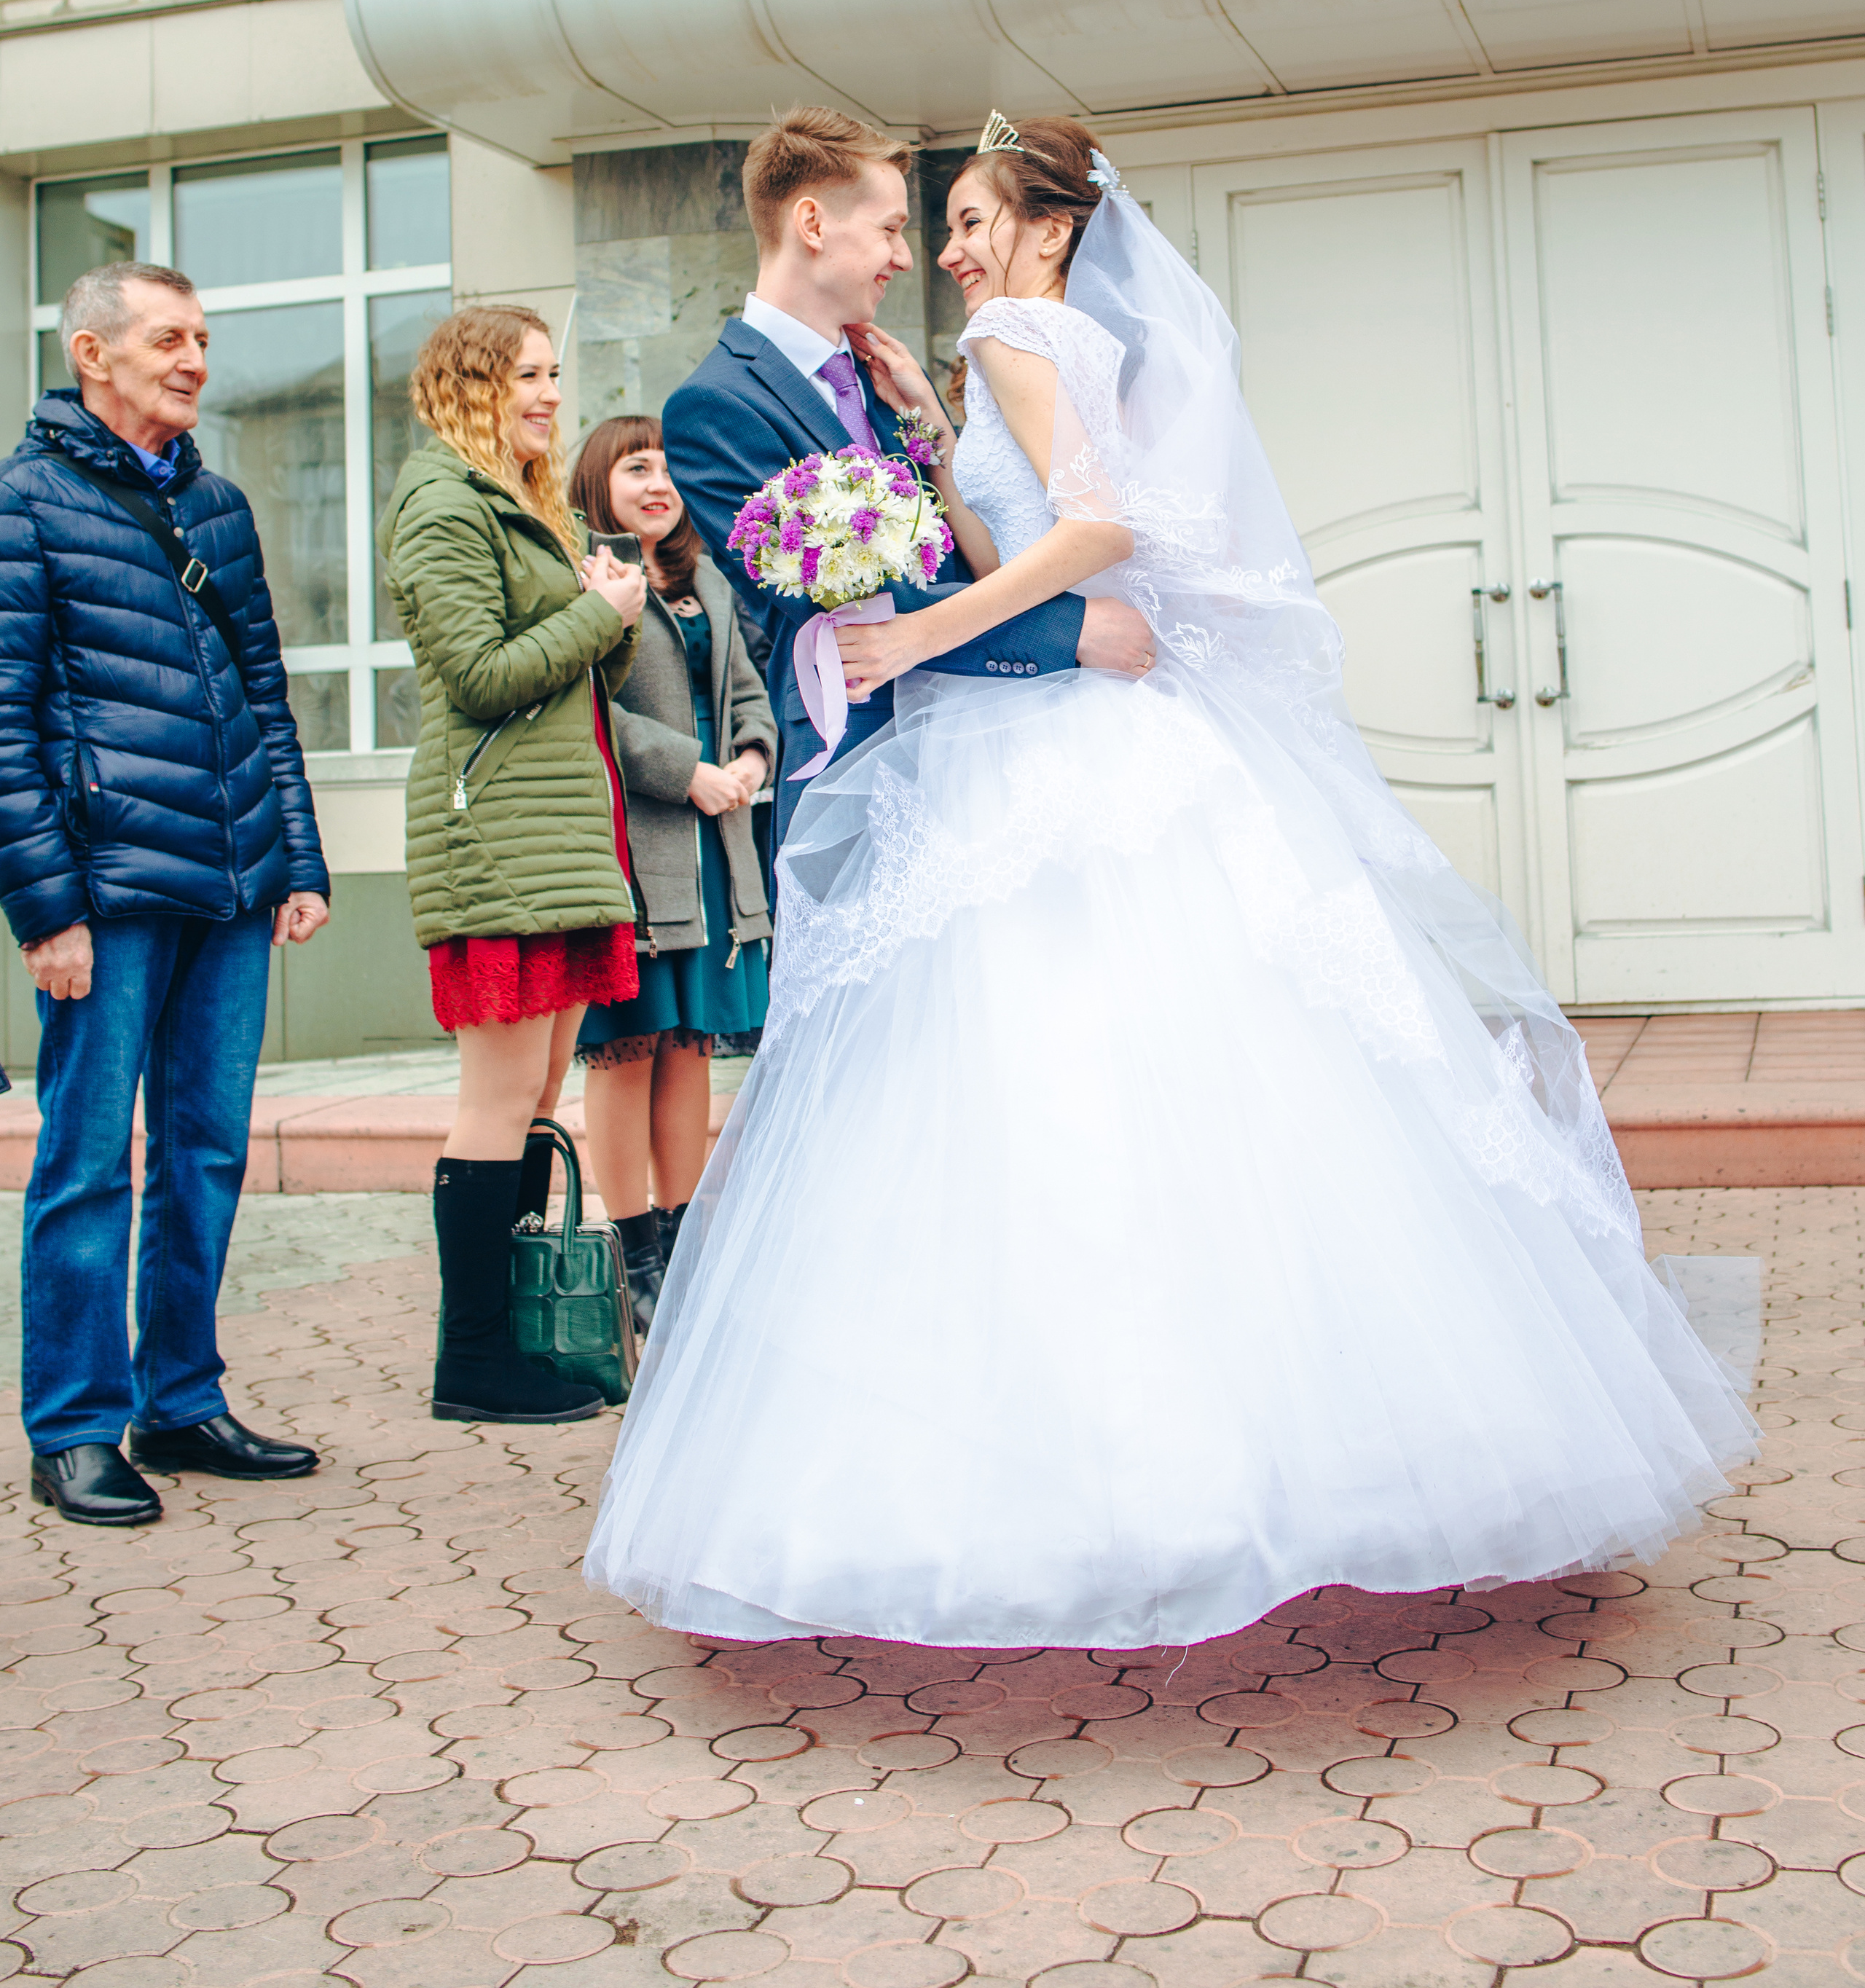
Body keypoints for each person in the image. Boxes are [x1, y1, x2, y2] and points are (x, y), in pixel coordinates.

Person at [586, 116, 1757, 1648]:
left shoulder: (995, 336)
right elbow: (843, 579)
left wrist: (966, 595)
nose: (923, 250)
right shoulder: (774, 388)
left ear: (1040, 227)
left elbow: (1033, 540)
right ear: (813, 222)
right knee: (1082, 1086)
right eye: (901, 222)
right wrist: (1035, 606)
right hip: (968, 738)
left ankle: (1081, 1473)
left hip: (1016, 745)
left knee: (1059, 1081)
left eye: (955, 216)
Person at [0, 262, 331, 1528]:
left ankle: (180, 1400)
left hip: (232, 881)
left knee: (204, 1149)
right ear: (93, 352)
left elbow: (263, 694)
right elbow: (8, 725)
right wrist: (47, 909)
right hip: (109, 886)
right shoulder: (26, 505)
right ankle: (75, 1428)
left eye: (203, 338)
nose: (195, 359)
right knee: (87, 1161)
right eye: (167, 339)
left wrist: (296, 861)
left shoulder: (221, 507)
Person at [660, 106, 1155, 846]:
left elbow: (968, 538)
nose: (908, 255)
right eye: (891, 229)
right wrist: (1071, 629)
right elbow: (849, 606)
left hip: (992, 751)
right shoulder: (713, 408)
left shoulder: (885, 377)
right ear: (813, 224)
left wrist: (931, 430)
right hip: (858, 768)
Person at [379, 305, 647, 1427]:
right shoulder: (443, 504)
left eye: (553, 374)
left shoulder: (522, 501)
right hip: (493, 840)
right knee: (495, 1103)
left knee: (536, 1095)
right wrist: (593, 612)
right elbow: (482, 677)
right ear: (469, 385)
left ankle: (522, 1342)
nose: (547, 394)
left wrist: (611, 614)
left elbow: (586, 679)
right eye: (524, 377)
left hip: (554, 838)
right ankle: (474, 1358)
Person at [567, 417, 777, 1330]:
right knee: (629, 1044)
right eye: (635, 467)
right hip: (635, 842)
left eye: (666, 467)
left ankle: (686, 1244)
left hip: (714, 843)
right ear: (597, 483)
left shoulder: (704, 581)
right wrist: (682, 768)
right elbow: (585, 708)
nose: (658, 482)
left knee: (689, 1040)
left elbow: (746, 694)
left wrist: (751, 762)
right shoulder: (587, 577)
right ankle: (632, 1249)